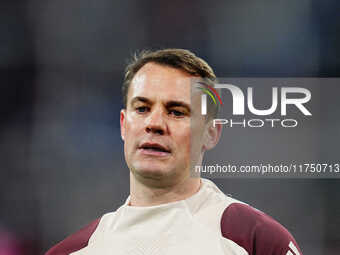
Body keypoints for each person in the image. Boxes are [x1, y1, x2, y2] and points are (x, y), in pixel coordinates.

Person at [46, 49, 303, 255]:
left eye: (176, 111)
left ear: (211, 133)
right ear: (124, 125)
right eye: (142, 108)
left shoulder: (258, 241)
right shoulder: (73, 251)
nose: (155, 124)